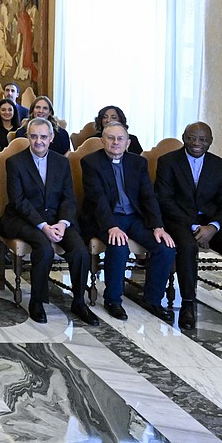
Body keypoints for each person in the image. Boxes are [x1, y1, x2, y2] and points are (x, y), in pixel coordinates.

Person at [155, 122, 222, 338]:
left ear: (210, 141)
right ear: (184, 137)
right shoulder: (167, 162)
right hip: (180, 221)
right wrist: (196, 227)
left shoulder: (220, 166)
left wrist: (213, 227)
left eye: (203, 139)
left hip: (213, 223)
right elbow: (164, 200)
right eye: (192, 138)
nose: (197, 143)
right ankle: (187, 305)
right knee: (186, 247)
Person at [0, 118, 98, 325]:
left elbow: (68, 198)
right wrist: (43, 226)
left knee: (79, 250)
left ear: (51, 138)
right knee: (44, 248)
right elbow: (18, 201)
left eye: (43, 137)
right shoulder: (15, 162)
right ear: (28, 137)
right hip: (22, 219)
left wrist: (62, 223)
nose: (38, 141)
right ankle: (37, 301)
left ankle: (79, 301)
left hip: (57, 220)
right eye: (34, 136)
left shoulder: (61, 162)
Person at [81, 122, 176, 322]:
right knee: (119, 245)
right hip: (105, 218)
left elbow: (148, 196)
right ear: (102, 140)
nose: (115, 142)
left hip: (134, 218)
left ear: (128, 142)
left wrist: (158, 226)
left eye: (120, 138)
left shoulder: (138, 163)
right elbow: (97, 199)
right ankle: (113, 300)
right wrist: (111, 226)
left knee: (164, 248)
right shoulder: (91, 162)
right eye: (110, 138)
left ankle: (152, 300)